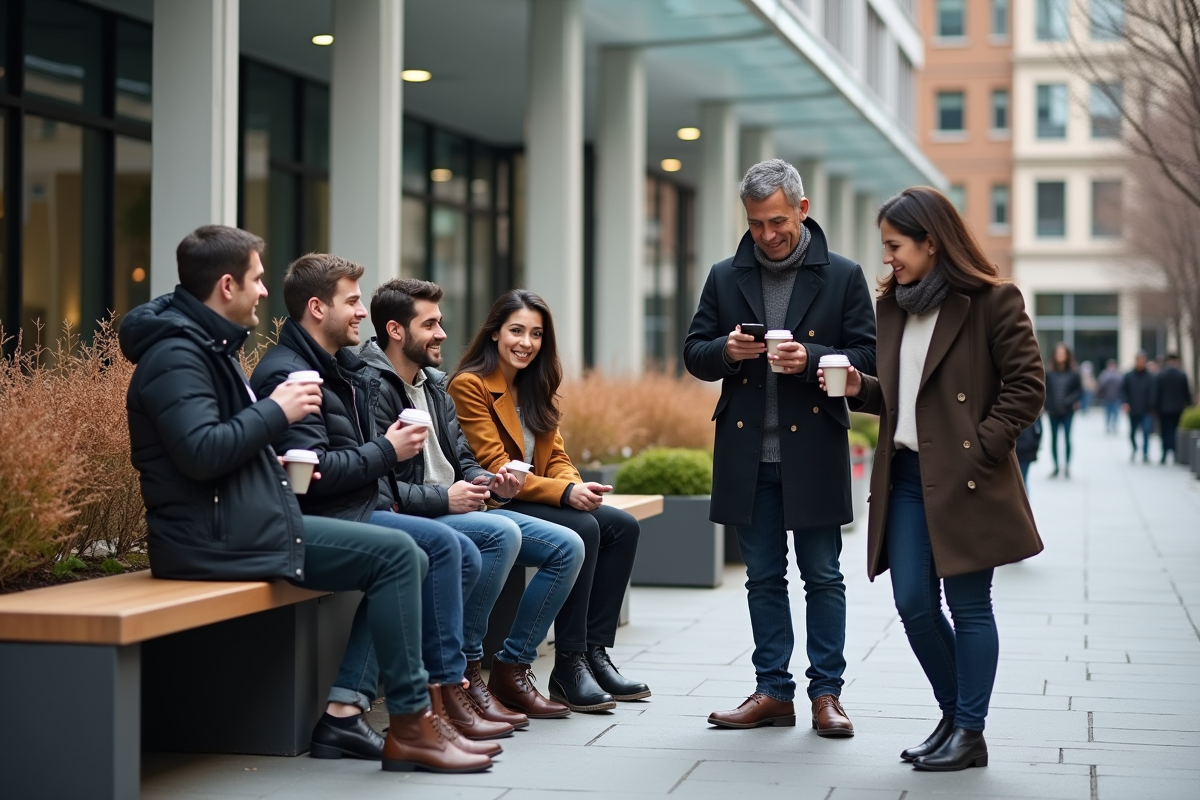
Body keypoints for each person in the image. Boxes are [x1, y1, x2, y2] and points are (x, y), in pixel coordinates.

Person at [120, 225, 488, 773]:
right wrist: (279, 412)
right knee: (403, 554)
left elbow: (225, 448)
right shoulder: (177, 357)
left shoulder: (207, 349)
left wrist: (274, 458)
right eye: (257, 279)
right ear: (227, 285)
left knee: (410, 554)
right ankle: (410, 724)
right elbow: (200, 452)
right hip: (213, 539)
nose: (264, 292)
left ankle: (393, 719)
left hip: (248, 522)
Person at [249, 254, 500, 763]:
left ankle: (365, 708)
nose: (361, 312)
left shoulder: (345, 370)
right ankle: (428, 706)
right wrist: (390, 451)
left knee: (452, 550)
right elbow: (312, 477)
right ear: (318, 308)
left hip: (359, 506)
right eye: (353, 301)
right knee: (431, 550)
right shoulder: (289, 373)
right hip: (318, 519)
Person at [826, 187, 1044, 771]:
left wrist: (981, 448)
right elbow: (902, 398)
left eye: (895, 246)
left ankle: (968, 731)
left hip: (968, 478)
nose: (888, 258)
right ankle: (956, 716)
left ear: (931, 241)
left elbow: (1027, 387)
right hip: (904, 477)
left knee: (970, 606)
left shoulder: (993, 300)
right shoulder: (895, 306)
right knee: (913, 602)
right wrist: (858, 388)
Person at [683, 159, 876, 736]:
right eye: (755, 223)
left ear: (802, 210)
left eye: (776, 222)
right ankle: (773, 691)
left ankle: (827, 694)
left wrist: (813, 360)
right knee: (762, 576)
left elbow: (868, 363)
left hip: (813, 450)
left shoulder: (843, 276)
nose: (766, 235)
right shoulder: (724, 275)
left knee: (823, 575)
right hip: (748, 456)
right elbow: (694, 352)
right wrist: (727, 353)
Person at [361, 278, 585, 724]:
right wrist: (445, 498)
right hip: (416, 514)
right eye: (431, 324)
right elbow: (380, 488)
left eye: (440, 323)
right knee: (500, 533)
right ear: (396, 331)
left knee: (570, 546)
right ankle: (466, 673)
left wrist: (489, 480)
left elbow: (464, 457)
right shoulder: (373, 387)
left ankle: (514, 666)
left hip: (461, 505)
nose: (443, 333)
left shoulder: (434, 384)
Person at [449, 290, 651, 716]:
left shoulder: (535, 385)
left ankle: (593, 653)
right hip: (495, 502)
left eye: (536, 334)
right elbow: (493, 464)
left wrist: (577, 488)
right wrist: (565, 495)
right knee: (586, 528)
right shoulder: (470, 385)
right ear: (494, 334)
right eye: (516, 331)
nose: (526, 342)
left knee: (622, 526)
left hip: (532, 497)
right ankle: (568, 662)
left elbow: (556, 455)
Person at [1044, 343, 1082, 478]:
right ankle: (1055, 467)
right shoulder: (1048, 372)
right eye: (1058, 353)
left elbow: (1079, 391)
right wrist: (1048, 404)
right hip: (1053, 411)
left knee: (1067, 438)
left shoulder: (1074, 372)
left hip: (1067, 411)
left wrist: (1069, 401)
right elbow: (1044, 390)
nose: (1060, 356)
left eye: (1063, 353)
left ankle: (1066, 467)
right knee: (1054, 439)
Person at [1154, 353, 1194, 464]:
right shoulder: (1181, 375)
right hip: (1178, 408)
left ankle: (1164, 452)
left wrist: (1155, 407)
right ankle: (1175, 452)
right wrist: (1189, 406)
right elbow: (1186, 393)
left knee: (1165, 431)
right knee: (1175, 431)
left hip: (1163, 409)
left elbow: (1157, 393)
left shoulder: (1161, 375)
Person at [1121, 352, 1156, 463]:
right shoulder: (1129, 376)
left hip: (1146, 409)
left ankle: (1145, 453)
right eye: (1139, 360)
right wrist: (1125, 403)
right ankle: (1135, 449)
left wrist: (1151, 405)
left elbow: (1153, 393)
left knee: (1146, 431)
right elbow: (1123, 391)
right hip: (1133, 409)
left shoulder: (1149, 377)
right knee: (1132, 432)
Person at [1015, 415, 1043, 492]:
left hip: (1025, 448)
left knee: (1021, 481)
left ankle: (1023, 503)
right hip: (1023, 447)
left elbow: (1039, 430)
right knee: (1021, 481)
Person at [1097, 359, 1123, 434]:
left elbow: (1122, 385)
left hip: (1116, 397)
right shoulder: (1104, 374)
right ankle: (1108, 426)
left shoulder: (1118, 374)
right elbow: (1101, 385)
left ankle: (1114, 427)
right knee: (1107, 414)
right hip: (1107, 397)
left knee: (1116, 414)